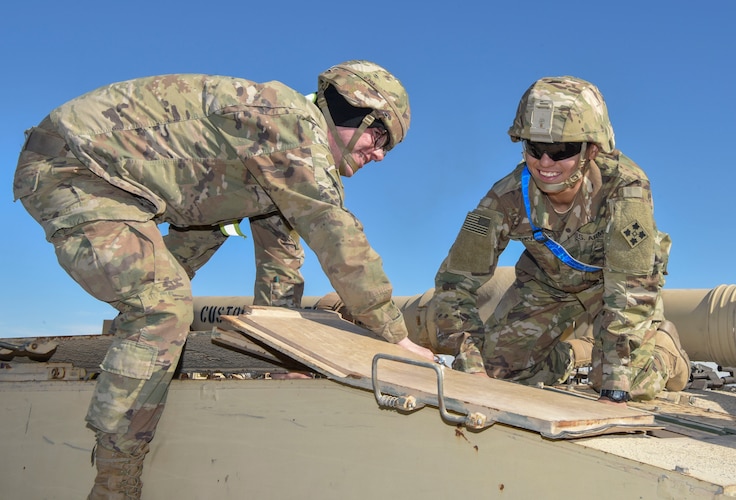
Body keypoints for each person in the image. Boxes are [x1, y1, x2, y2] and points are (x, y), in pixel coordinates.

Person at [12, 60, 433, 498]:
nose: (380, 153)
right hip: (72, 166)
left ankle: (130, 360)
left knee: (159, 294)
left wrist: (286, 360)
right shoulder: (292, 127)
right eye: (379, 135)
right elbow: (337, 236)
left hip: (119, 188)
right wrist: (395, 337)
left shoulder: (279, 160)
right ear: (352, 112)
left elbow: (280, 268)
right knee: (161, 305)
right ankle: (116, 480)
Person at [428, 76, 690, 406]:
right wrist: (471, 362)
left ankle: (667, 351)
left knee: (627, 384)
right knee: (494, 370)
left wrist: (615, 381)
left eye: (561, 150)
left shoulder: (626, 187)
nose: (545, 163)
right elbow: (454, 284)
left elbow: (631, 287)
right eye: (535, 149)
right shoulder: (504, 199)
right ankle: (568, 357)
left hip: (614, 285)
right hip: (547, 285)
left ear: (592, 149)